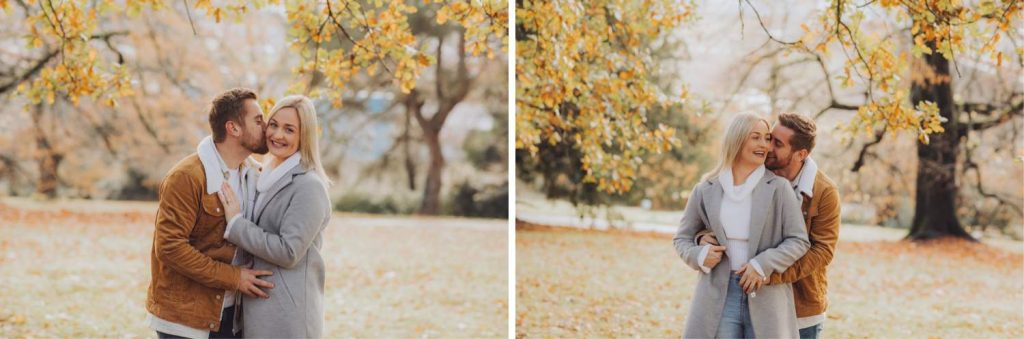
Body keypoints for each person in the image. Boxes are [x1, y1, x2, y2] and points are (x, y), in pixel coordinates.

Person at [696, 113, 841, 339]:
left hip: (801, 305)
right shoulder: (755, 174)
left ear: (800, 154)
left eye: (777, 143)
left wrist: (768, 274)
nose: (767, 146)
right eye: (768, 138)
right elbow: (727, 217)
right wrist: (703, 236)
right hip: (755, 301)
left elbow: (821, 251)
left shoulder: (824, 192)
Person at [146, 88, 275, 339]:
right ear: (233, 128)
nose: (267, 126)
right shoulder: (186, 177)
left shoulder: (255, 174)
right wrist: (234, 278)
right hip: (186, 319)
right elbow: (170, 247)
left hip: (233, 314)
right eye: (258, 120)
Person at [673, 113, 810, 338]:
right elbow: (682, 238)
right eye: (755, 137)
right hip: (718, 294)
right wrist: (699, 254)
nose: (764, 145)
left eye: (766, 138)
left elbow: (798, 240)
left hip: (766, 295)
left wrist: (762, 264)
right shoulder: (706, 188)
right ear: (736, 140)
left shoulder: (779, 188)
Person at [217, 95, 332, 338]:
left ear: (304, 136)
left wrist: (237, 224)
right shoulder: (264, 175)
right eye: (274, 124)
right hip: (257, 310)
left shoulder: (309, 186)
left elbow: (288, 251)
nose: (278, 135)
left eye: (289, 129)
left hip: (287, 315)